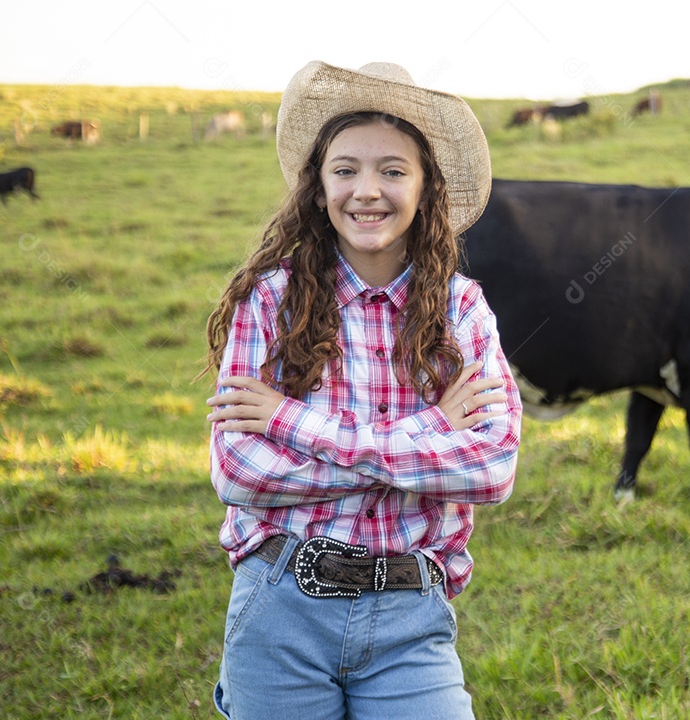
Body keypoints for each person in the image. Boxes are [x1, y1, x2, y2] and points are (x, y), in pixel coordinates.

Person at [201, 60, 522, 719]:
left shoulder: (462, 314)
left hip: (411, 614)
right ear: (318, 188)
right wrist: (428, 434)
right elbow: (238, 472)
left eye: (393, 170)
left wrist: (292, 423)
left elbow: (492, 469)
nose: (366, 190)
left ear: (426, 186)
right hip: (280, 605)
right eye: (345, 169)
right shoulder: (269, 304)